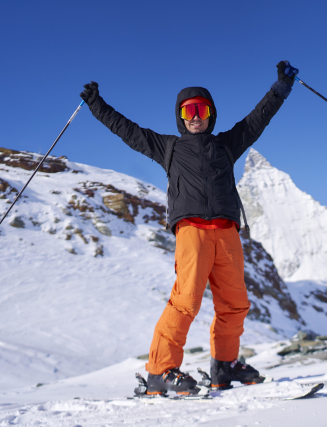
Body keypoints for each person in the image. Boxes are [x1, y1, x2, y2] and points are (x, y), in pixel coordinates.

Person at [80, 61, 298, 395]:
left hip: (226, 231)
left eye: (201, 109)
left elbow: (258, 118)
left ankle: (224, 367)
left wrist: (280, 88)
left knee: (235, 304)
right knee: (186, 301)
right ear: (180, 118)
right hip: (192, 230)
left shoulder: (226, 144)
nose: (195, 116)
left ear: (211, 113)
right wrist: (97, 104)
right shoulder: (168, 147)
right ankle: (160, 370)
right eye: (187, 111)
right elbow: (126, 129)